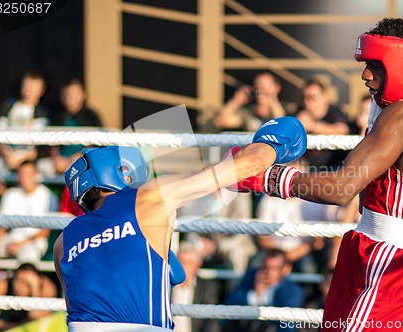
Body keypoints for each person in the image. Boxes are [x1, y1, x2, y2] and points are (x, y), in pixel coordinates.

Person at [231, 13, 403, 331]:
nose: (365, 76)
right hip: (374, 253)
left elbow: (341, 188)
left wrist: (263, 177)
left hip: (387, 263)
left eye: (376, 66)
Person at [53, 116, 307, 331]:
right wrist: (273, 142)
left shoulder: (63, 241)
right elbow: (247, 165)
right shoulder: (147, 197)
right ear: (120, 172)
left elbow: (77, 303)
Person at [224, 249, 305, 332]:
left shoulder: (293, 291)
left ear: (286, 269)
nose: (268, 272)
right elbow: (230, 303)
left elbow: (288, 326)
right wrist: (254, 294)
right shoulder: (251, 276)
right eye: (266, 267)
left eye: (274, 268)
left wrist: (260, 297)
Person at [0, 160, 59, 263]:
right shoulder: (11, 194)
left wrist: (20, 244)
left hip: (34, 242)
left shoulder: (49, 196)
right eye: (21, 174)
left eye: (28, 174)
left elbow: (45, 231)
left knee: (28, 259)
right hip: (10, 240)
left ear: (36, 175)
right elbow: (2, 225)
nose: (24, 178)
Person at [0, 71, 50, 177]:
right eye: (27, 85)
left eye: (34, 87)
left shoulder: (43, 113)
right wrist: (7, 155)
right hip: (5, 158)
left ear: (41, 90)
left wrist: (21, 159)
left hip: (29, 162)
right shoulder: (8, 106)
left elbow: (40, 146)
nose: (29, 89)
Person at [45, 78, 104, 176]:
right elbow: (52, 142)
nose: (70, 99)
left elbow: (97, 144)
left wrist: (71, 160)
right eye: (66, 95)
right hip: (59, 162)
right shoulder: (57, 116)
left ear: (83, 94)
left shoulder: (91, 116)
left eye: (74, 95)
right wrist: (56, 159)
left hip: (83, 159)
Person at [296, 79, 350, 170]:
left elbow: (342, 130)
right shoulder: (299, 112)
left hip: (333, 166)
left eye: (314, 96)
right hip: (305, 166)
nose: (308, 100)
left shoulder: (334, 111)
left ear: (325, 97)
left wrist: (311, 126)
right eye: (305, 96)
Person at [0, 262, 58, 331]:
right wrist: (20, 328)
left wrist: (35, 288)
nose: (21, 287)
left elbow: (38, 320)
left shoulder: (47, 288)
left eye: (27, 283)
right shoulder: (3, 285)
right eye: (19, 281)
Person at [171, 241, 221, 332]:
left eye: (189, 263)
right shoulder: (165, 286)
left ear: (197, 265)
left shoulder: (208, 289)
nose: (184, 267)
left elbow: (211, 322)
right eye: (181, 262)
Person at [214, 72, 290, 132]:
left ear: (276, 88)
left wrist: (271, 99)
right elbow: (221, 121)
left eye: (264, 85)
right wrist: (237, 101)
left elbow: (281, 126)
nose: (260, 89)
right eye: (257, 85)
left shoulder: (287, 108)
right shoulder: (248, 112)